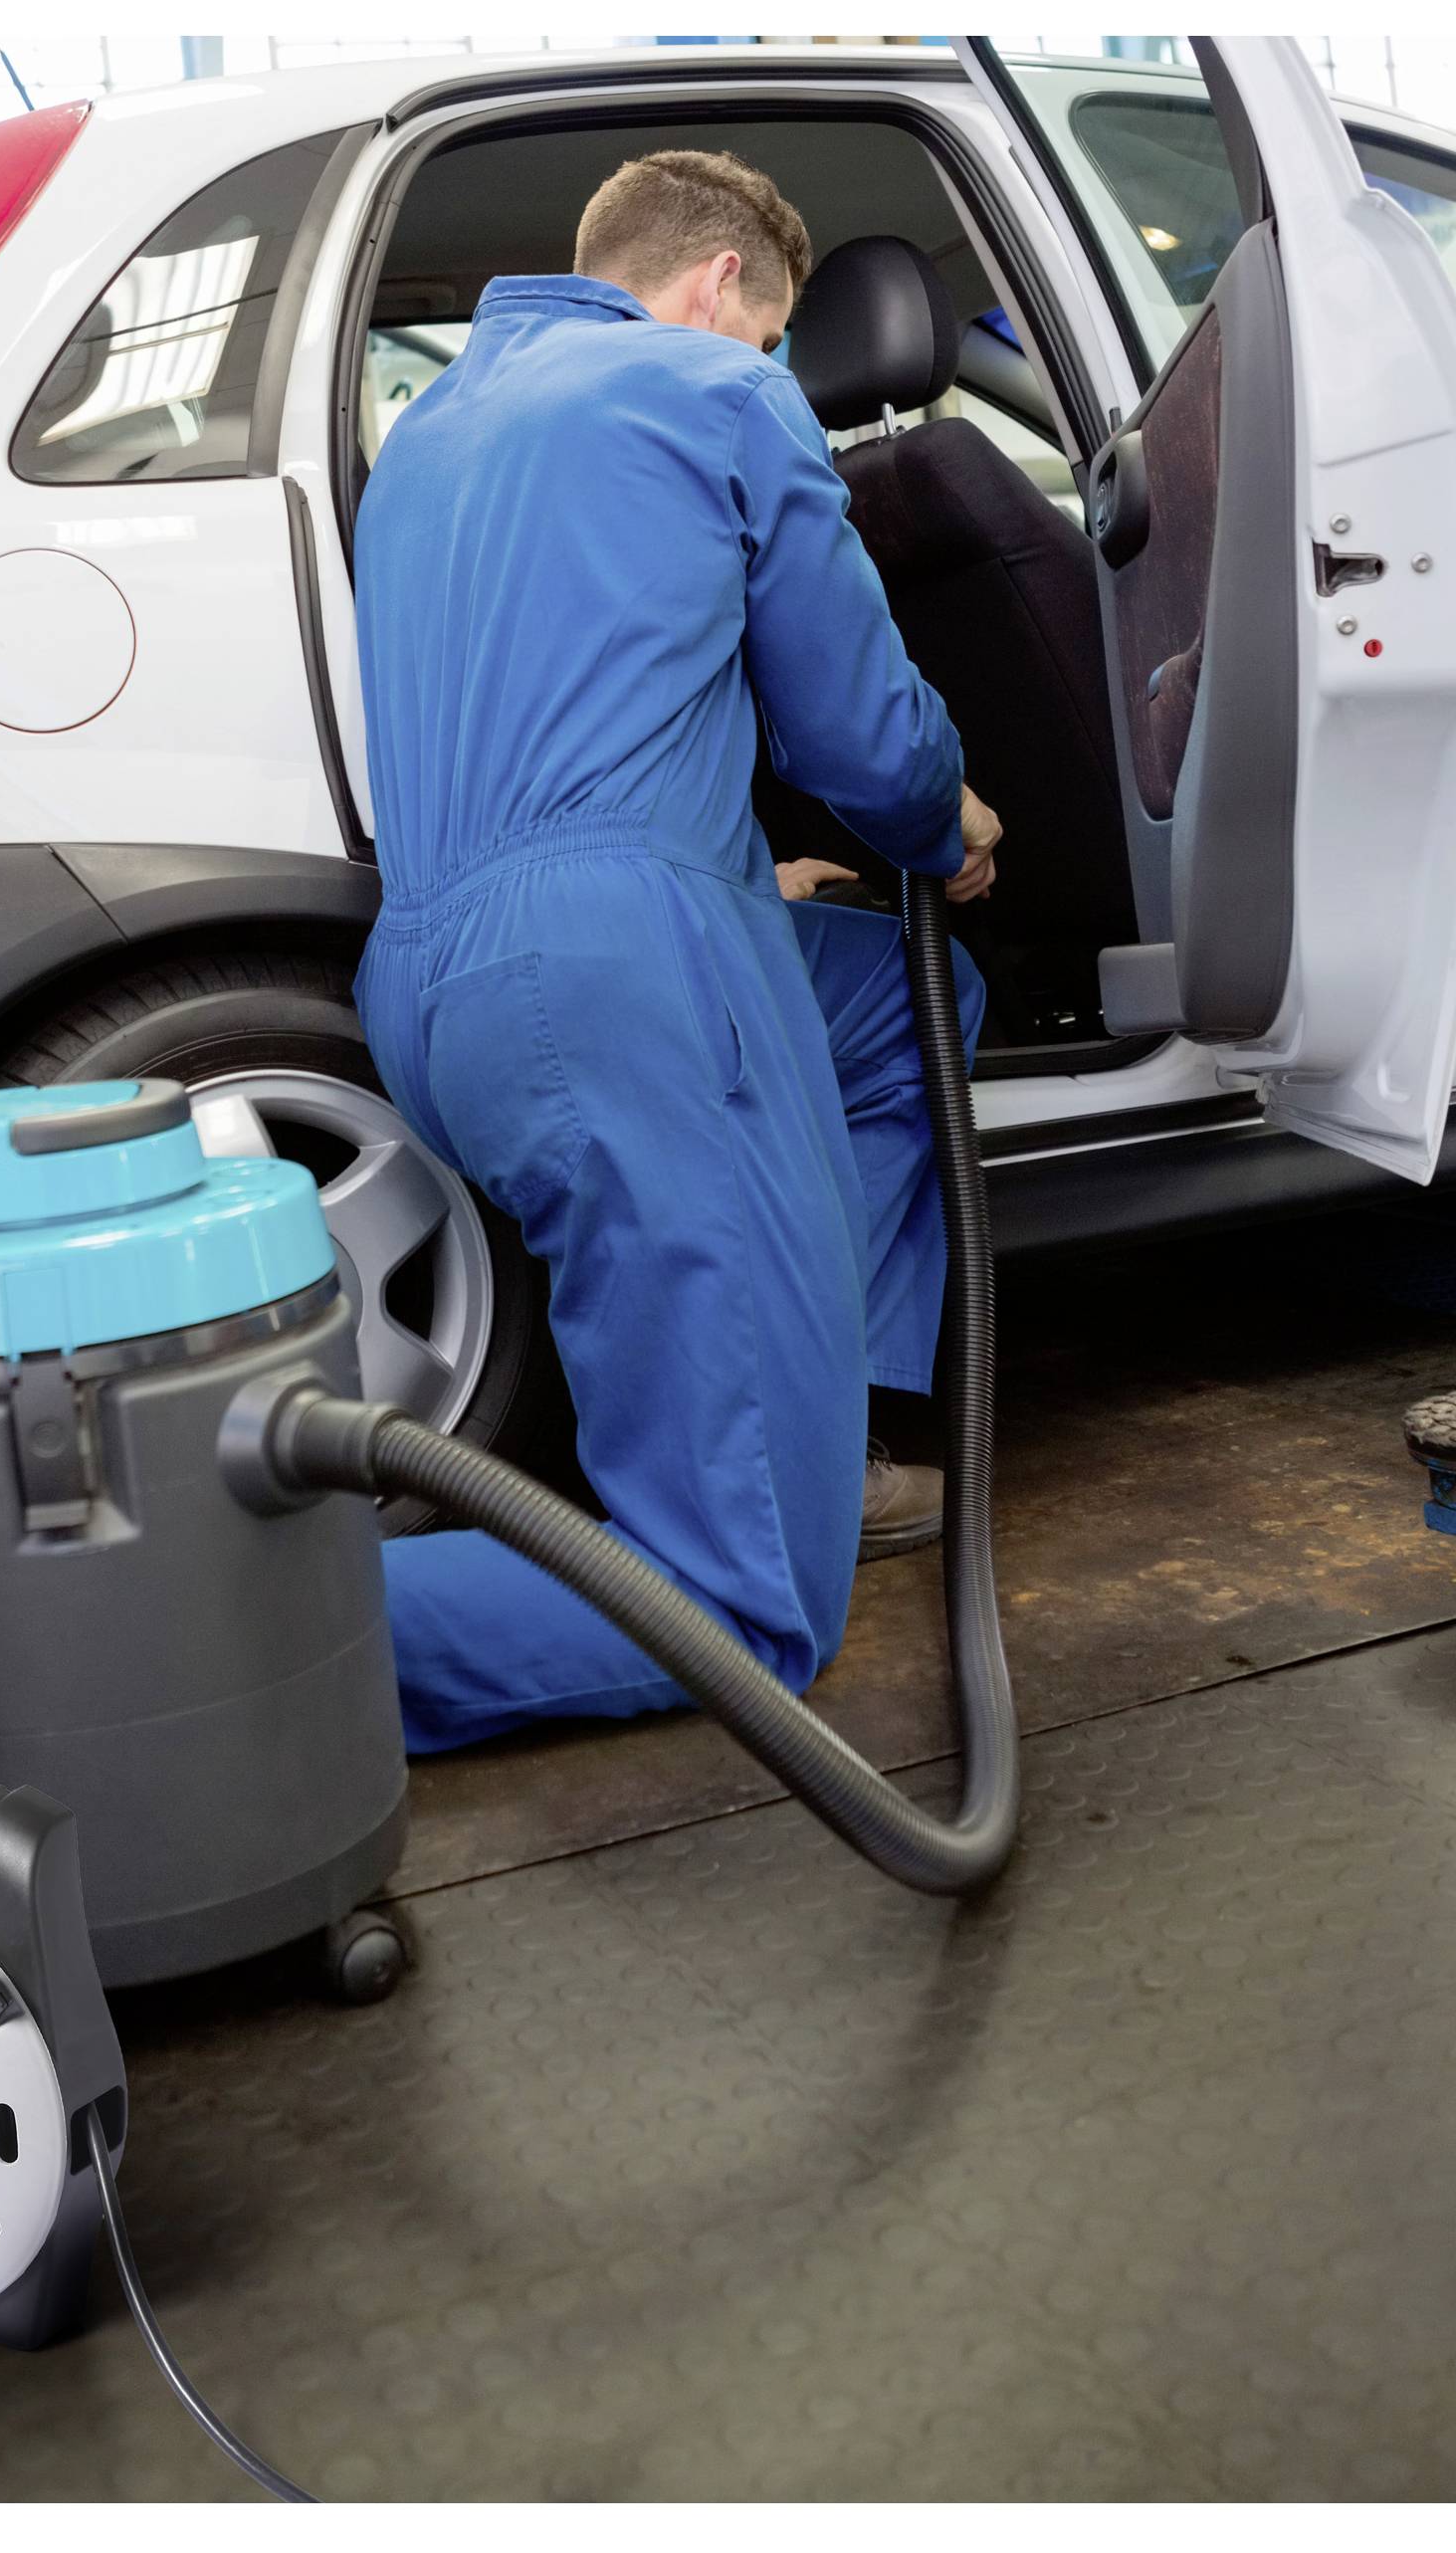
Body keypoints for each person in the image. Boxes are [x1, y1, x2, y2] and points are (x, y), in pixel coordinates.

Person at [351, 148, 1002, 1755]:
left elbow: (557, 714)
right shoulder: (714, 393)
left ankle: (827, 1421)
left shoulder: (427, 435)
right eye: (774, 339)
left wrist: (709, 866)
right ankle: (199, 1660)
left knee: (909, 1017)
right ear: (723, 291)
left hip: (434, 982)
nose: (777, 372)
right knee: (747, 1611)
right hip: (616, 985)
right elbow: (861, 729)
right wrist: (949, 824)